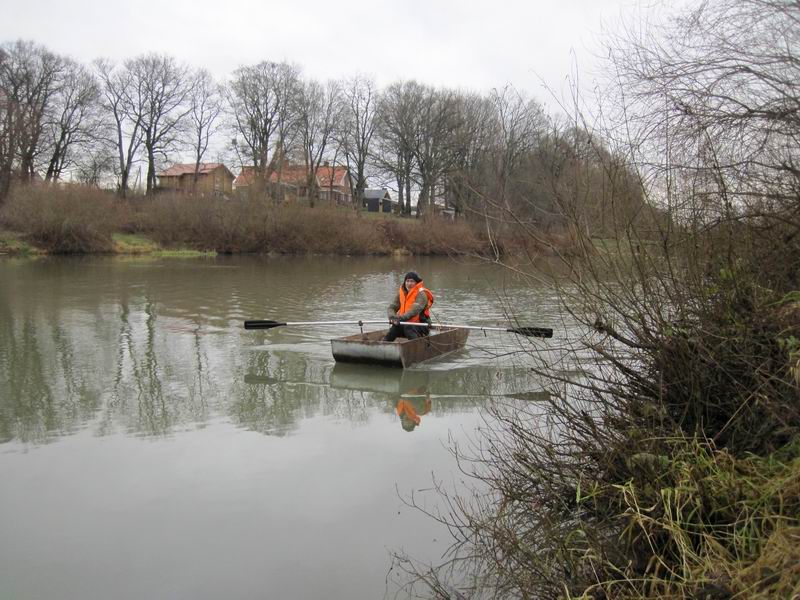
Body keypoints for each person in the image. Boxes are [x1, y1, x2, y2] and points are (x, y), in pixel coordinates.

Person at [383, 271, 434, 342]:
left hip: (421, 325)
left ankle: (418, 346)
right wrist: (392, 317)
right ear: (405, 282)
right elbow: (392, 306)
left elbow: (414, 311)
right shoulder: (402, 293)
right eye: (407, 281)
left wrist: (400, 318)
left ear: (416, 282)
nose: (409, 283)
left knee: (408, 327)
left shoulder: (421, 294)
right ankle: (383, 344)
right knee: (395, 327)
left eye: (412, 281)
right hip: (404, 322)